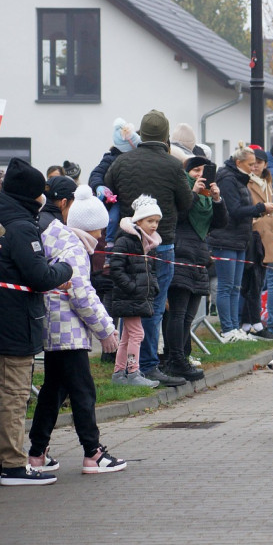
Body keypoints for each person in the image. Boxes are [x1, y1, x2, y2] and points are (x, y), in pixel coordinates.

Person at [0, 157, 73, 485]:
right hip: (14, 319)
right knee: (14, 394)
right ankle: (15, 466)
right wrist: (64, 268)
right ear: (31, 197)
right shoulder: (21, 226)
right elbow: (38, 275)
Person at [30, 185, 127, 474]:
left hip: (55, 328)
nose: (101, 237)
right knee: (83, 392)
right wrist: (106, 331)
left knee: (53, 391)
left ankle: (37, 452)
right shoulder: (74, 247)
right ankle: (93, 453)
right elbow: (82, 293)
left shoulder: (59, 238)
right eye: (99, 230)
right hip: (68, 331)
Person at [104, 110, 191, 387]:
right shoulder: (173, 165)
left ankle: (124, 366)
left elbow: (108, 190)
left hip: (127, 241)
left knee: (130, 306)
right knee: (152, 307)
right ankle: (148, 365)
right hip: (160, 242)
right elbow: (186, 203)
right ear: (166, 137)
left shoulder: (121, 162)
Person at [164, 156, 227, 381]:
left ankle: (181, 358)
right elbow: (177, 217)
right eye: (195, 171)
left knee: (189, 316)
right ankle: (174, 360)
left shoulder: (207, 199)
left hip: (199, 257)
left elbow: (220, 223)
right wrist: (192, 193)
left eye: (204, 171)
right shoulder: (182, 193)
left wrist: (217, 200)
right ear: (186, 174)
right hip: (181, 255)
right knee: (177, 313)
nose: (200, 175)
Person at [206, 145, 270, 341]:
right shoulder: (227, 178)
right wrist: (260, 208)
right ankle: (227, 330)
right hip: (226, 239)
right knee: (226, 286)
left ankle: (235, 328)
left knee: (235, 287)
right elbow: (233, 209)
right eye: (250, 164)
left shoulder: (240, 179)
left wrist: (258, 210)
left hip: (240, 239)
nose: (253, 167)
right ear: (238, 162)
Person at [109, 195, 163, 388]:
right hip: (129, 297)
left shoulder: (148, 243)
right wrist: (132, 288)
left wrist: (153, 286)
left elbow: (152, 270)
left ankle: (119, 372)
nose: (154, 225)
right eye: (150, 221)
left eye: (157, 221)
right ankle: (133, 372)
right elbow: (116, 269)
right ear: (138, 220)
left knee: (127, 336)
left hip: (139, 297)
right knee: (137, 334)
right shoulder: (126, 241)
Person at [241, 146, 273, 339]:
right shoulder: (247, 182)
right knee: (251, 283)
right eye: (253, 161)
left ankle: (250, 323)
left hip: (267, 237)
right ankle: (252, 323)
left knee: (259, 281)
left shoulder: (267, 182)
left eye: (259, 161)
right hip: (254, 237)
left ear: (265, 164)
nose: (255, 165)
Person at [89, 117, 141, 245]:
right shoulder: (110, 159)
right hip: (116, 199)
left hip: (133, 198)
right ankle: (110, 244)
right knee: (112, 220)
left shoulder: (138, 160)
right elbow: (96, 174)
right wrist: (99, 187)